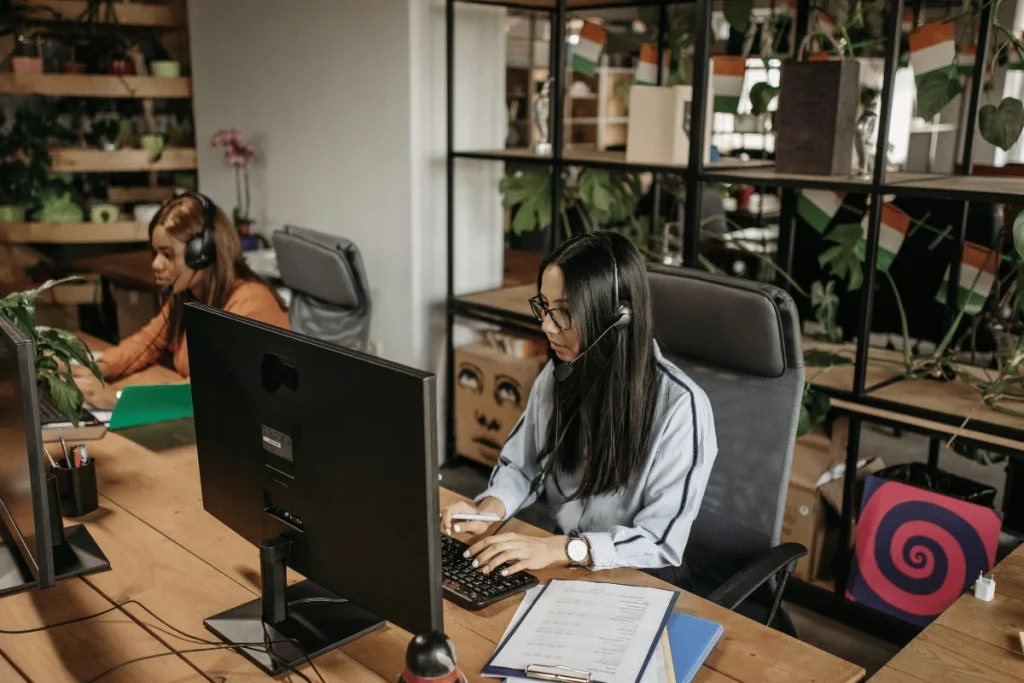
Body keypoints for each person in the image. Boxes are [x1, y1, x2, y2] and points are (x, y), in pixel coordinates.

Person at [441, 232, 717, 581]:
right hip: (567, 561)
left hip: (636, 574)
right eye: (544, 306)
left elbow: (660, 540)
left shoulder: (681, 408)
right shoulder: (559, 375)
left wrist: (563, 549)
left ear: (618, 318)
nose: (546, 326)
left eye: (564, 312)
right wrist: (486, 512)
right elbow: (523, 466)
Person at [74, 193, 289, 390]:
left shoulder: (250, 304)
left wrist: (117, 400)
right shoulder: (188, 297)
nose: (156, 264)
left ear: (201, 255)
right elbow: (146, 342)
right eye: (156, 252)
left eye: (167, 255)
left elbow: (210, 388)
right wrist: (99, 368)